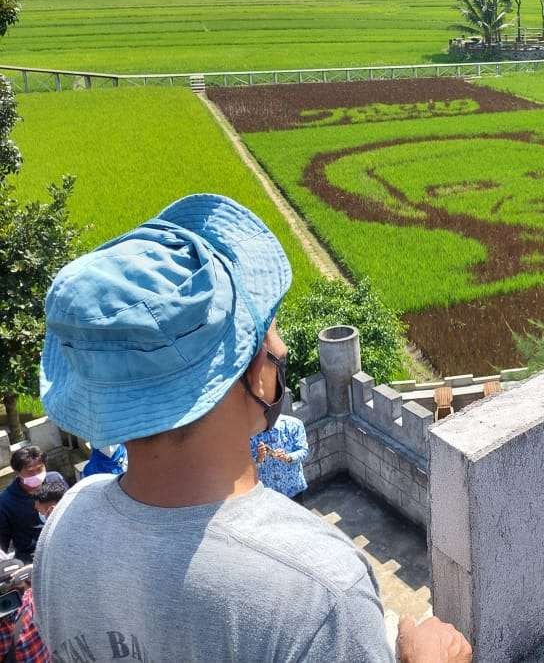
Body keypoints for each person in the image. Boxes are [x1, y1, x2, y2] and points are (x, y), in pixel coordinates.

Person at [35, 194, 471, 663]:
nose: (281, 347)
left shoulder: (65, 526)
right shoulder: (317, 591)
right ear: (253, 370)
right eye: (269, 330)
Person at [0, 448, 65, 564]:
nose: (37, 475)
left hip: (62, 543)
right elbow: (2, 541)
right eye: (30, 472)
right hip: (32, 555)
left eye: (40, 469)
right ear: (18, 473)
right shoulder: (5, 502)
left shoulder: (56, 479)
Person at [251, 415, 309, 502]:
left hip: (293, 488)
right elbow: (244, 469)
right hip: (269, 495)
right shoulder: (250, 434)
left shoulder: (294, 424)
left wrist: (288, 457)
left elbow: (303, 451)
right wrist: (259, 459)